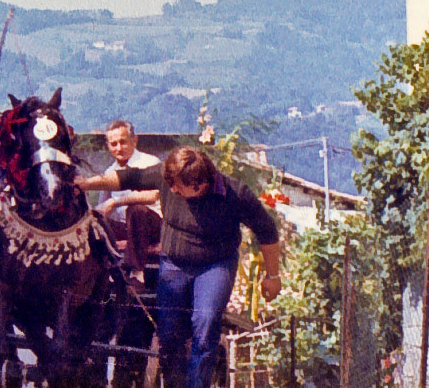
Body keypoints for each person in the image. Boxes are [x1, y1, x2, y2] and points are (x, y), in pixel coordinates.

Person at [76, 146, 281, 388]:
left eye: (178, 188)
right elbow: (127, 177)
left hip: (215, 265)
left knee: (205, 323)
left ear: (201, 185)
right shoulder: (169, 177)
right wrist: (86, 183)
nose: (171, 190)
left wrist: (272, 276)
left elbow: (267, 232)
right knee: (169, 334)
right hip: (173, 264)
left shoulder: (235, 194)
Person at [95, 120, 163, 288]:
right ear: (108, 145)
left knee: (136, 209)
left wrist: (116, 201)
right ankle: (102, 275)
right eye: (114, 144)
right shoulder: (110, 172)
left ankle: (136, 273)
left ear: (134, 140)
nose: (119, 148)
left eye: (123, 142)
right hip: (127, 229)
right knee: (94, 222)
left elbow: (153, 195)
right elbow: (102, 208)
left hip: (152, 225)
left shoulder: (150, 163)